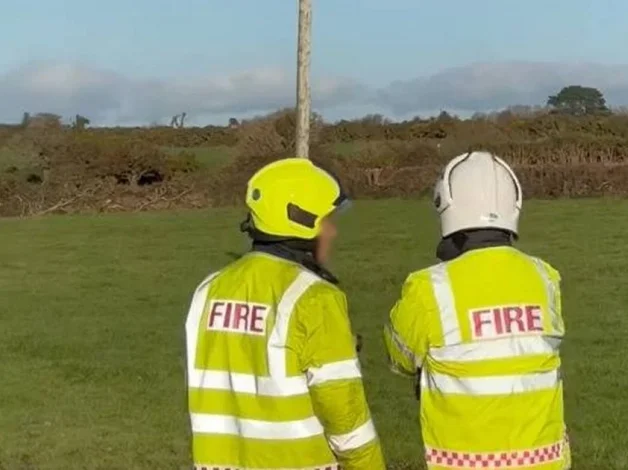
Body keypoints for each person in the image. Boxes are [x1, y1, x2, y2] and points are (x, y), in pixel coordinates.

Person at [185, 157, 385, 470]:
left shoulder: (207, 290)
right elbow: (345, 416)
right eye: (327, 221)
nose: (332, 232)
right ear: (302, 222)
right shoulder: (315, 298)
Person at [383, 151, 570, 469]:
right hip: (545, 460)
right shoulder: (545, 277)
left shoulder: (429, 287)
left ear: (446, 205)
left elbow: (399, 358)